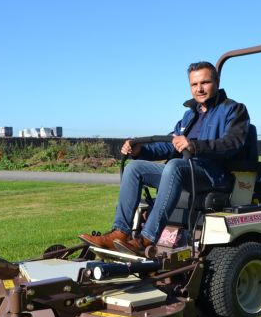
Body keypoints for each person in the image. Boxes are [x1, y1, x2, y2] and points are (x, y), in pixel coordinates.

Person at [80, 61, 250, 254]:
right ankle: (119, 233)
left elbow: (232, 143)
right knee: (134, 168)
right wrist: (139, 150)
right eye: (194, 84)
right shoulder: (189, 116)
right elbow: (169, 144)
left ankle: (146, 240)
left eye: (205, 82)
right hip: (184, 172)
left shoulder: (234, 110)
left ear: (217, 82)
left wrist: (194, 146)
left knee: (175, 166)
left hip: (212, 174)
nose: (199, 89)